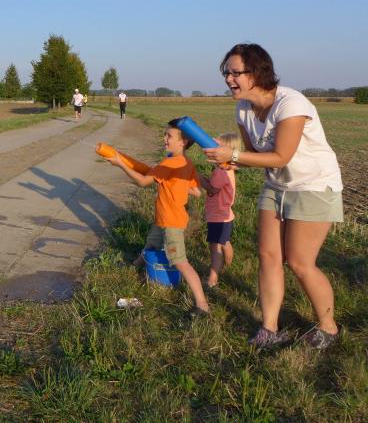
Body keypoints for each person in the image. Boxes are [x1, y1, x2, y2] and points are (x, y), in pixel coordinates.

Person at [204, 43, 343, 350]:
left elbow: (281, 156)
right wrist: (228, 157)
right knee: (268, 257)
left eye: (235, 72)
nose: (228, 79)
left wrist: (233, 155)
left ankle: (329, 328)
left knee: (299, 261)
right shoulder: (243, 108)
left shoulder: (291, 104)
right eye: (226, 72)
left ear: (257, 72)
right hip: (277, 186)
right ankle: (269, 328)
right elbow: (254, 154)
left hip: (313, 185)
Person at [104, 118, 209, 315]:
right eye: (164, 134)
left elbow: (143, 182)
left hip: (171, 223)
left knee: (180, 262)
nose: (164, 139)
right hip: (164, 219)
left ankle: (202, 304)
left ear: (183, 142)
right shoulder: (186, 162)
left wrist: (121, 164)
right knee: (151, 245)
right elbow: (196, 191)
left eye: (169, 136)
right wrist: (175, 185)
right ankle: (134, 265)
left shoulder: (169, 162)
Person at [198, 133, 240, 287]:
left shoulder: (221, 171)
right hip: (226, 215)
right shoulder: (228, 169)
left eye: (217, 147)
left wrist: (198, 177)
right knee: (224, 241)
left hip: (218, 216)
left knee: (215, 246)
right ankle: (228, 265)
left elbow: (212, 189)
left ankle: (212, 278)